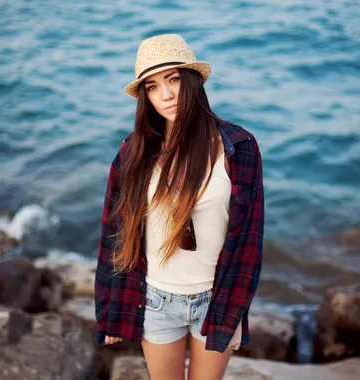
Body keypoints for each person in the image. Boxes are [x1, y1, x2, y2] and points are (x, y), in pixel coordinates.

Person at [95, 33, 264, 380]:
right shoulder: (134, 153)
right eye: (153, 87)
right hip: (156, 300)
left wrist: (234, 312)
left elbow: (249, 242)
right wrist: (109, 313)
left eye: (173, 79)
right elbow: (114, 235)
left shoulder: (239, 148)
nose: (166, 95)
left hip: (214, 301)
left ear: (192, 80)